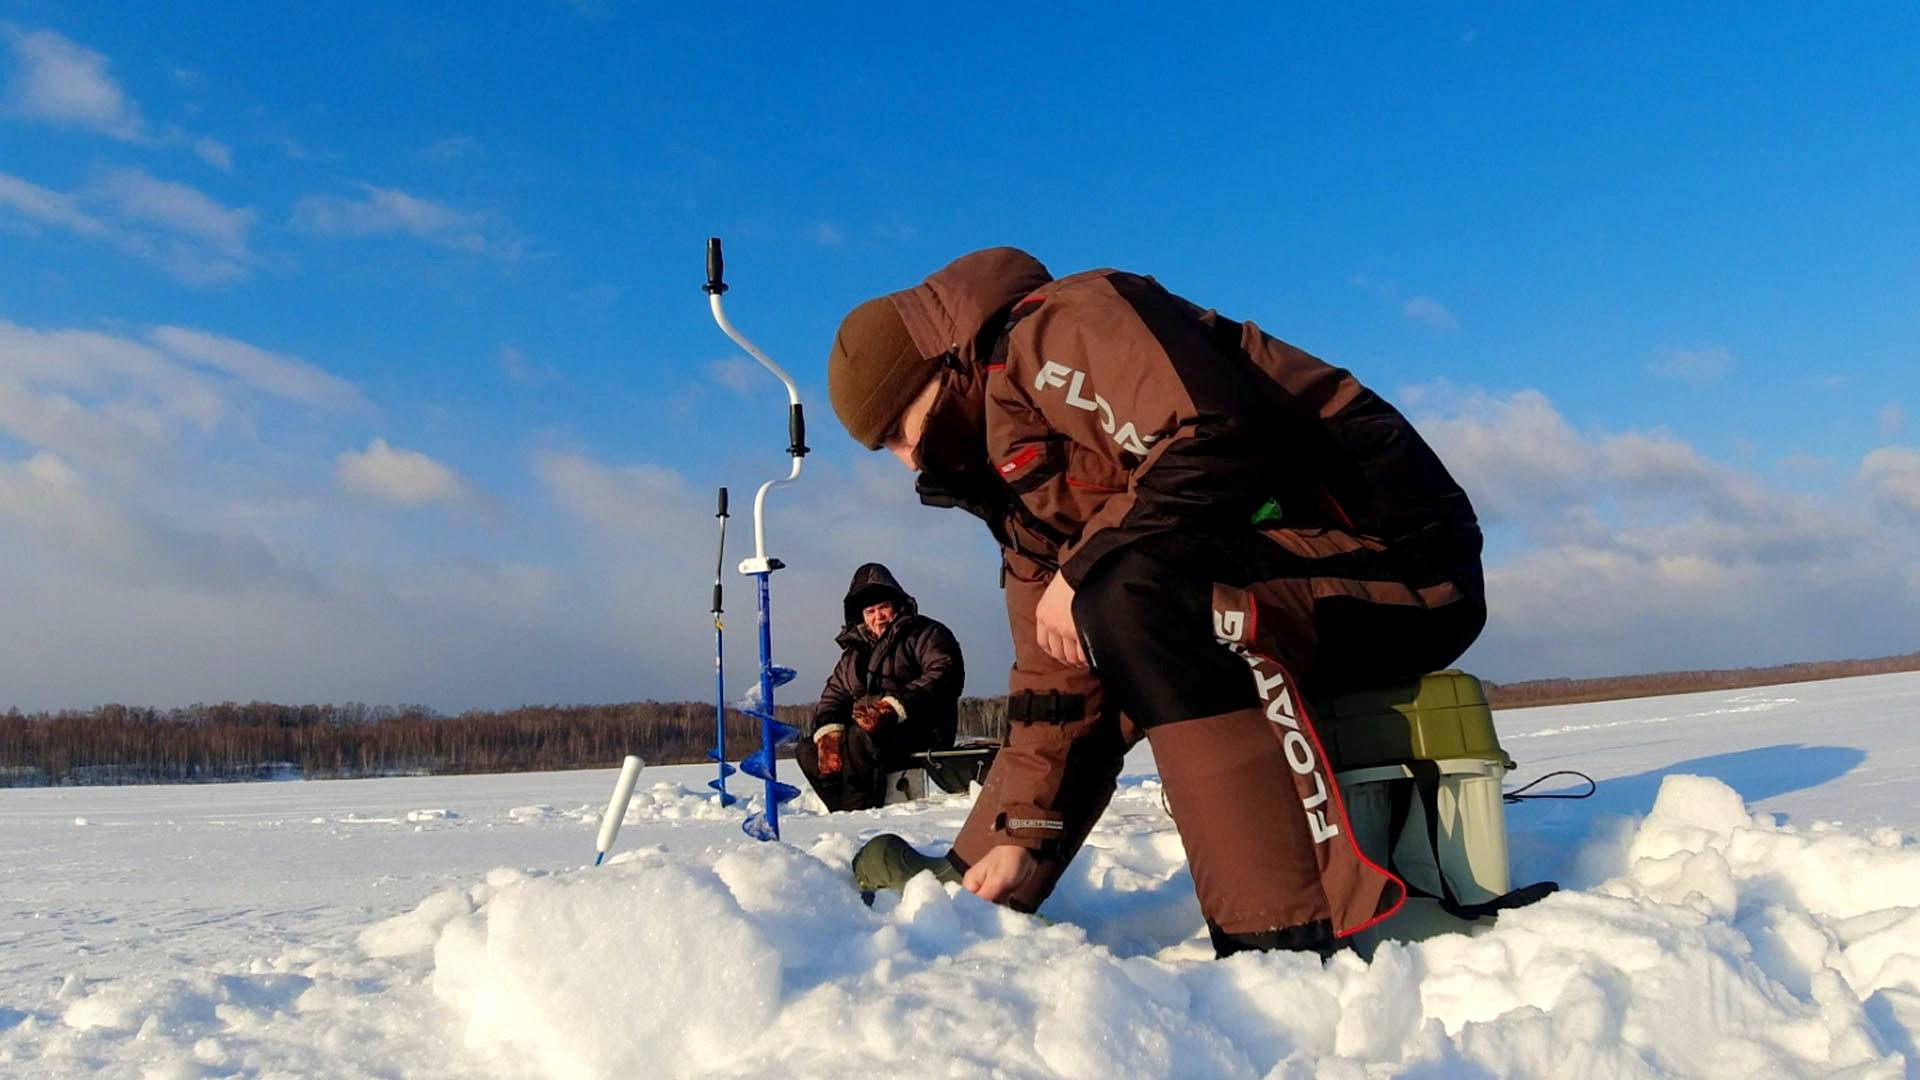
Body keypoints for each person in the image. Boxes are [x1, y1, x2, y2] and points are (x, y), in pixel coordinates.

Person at [823, 248, 1487, 957]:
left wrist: (1082, 568)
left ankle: (1278, 939)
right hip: (1269, 581)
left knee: (1136, 597)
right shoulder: (1013, 494)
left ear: (940, 371)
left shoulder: (1061, 324)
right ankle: (986, 872)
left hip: (1398, 556)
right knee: (1117, 606)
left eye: (898, 430)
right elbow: (1057, 686)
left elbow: (1214, 436)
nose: (906, 460)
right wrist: (1012, 842)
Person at [793, 563, 965, 811]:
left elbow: (944, 674)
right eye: (870, 611)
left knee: (858, 737)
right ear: (861, 616)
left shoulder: (926, 633)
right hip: (867, 737)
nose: (878, 617)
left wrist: (892, 708)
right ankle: (841, 811)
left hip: (921, 730)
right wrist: (829, 733)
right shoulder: (852, 656)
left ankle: (860, 813)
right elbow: (833, 697)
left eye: (884, 607)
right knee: (808, 749)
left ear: (897, 605)